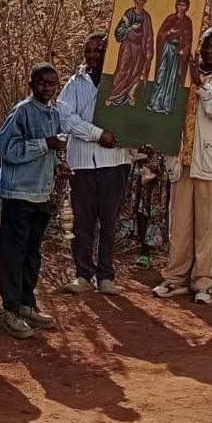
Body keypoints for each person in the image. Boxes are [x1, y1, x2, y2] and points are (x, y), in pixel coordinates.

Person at [152, 28, 212, 304]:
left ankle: (203, 281)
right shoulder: (182, 72)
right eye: (205, 46)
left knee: (206, 226)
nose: (209, 52)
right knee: (179, 225)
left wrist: (202, 85)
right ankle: (174, 278)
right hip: (182, 159)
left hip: (211, 161)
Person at [58, 33, 130, 295]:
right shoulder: (75, 83)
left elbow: (132, 118)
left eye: (98, 51)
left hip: (114, 162)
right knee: (82, 222)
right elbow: (66, 119)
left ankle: (106, 276)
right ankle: (83, 275)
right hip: (82, 164)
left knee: (109, 222)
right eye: (88, 51)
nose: (92, 56)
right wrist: (98, 134)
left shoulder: (124, 79)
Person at [0, 63, 65, 337]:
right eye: (41, 83)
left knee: (32, 253)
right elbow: (8, 149)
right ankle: (10, 311)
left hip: (41, 193)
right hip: (18, 194)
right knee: (13, 254)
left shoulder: (54, 113)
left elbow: (54, 151)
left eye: (52, 84)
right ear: (31, 84)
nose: (47, 88)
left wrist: (59, 166)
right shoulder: (22, 111)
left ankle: (26, 304)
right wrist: (45, 144)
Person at [118, 148, 169, 270]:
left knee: (156, 208)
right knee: (141, 208)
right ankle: (144, 251)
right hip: (140, 162)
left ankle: (156, 248)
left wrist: (154, 169)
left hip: (162, 163)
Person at [105, 0, 154, 107]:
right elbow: (119, 30)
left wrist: (148, 51)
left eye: (143, 0)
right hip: (127, 46)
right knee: (122, 69)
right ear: (135, 0)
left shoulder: (146, 17)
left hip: (139, 49)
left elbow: (149, 35)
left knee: (136, 71)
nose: (140, 2)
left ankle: (130, 95)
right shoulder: (129, 13)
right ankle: (114, 96)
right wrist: (130, 28)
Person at [147, 0, 195, 114]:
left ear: (187, 7)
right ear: (176, 5)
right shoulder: (170, 18)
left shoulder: (187, 21)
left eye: (183, 5)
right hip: (166, 49)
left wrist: (184, 50)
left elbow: (189, 39)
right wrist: (169, 32)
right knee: (161, 74)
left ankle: (166, 106)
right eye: (179, 4)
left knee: (172, 78)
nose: (181, 7)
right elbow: (160, 34)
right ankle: (154, 103)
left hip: (177, 53)